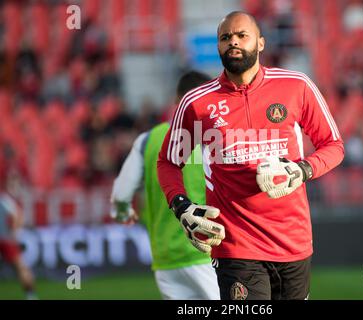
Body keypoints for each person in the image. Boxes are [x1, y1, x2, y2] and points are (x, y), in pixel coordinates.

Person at [157, 11, 344, 300]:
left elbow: (333, 145)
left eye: (242, 35)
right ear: (218, 47)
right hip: (234, 244)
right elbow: (169, 161)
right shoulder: (196, 103)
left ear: (260, 43)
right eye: (225, 37)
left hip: (293, 241)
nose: (233, 41)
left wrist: (303, 170)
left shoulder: (297, 85)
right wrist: (182, 207)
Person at [110, 71, 220, 300]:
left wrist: (124, 213)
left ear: (176, 102)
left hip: (166, 262)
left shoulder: (147, 140)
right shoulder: (217, 138)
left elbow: (120, 195)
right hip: (210, 253)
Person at [0, 191, 37, 300]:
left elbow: (16, 216)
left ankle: (31, 295)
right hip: (7, 238)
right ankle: (31, 295)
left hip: (6, 238)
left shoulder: (3, 199)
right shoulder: (4, 199)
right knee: (21, 267)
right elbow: (17, 214)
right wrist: (15, 231)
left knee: (20, 267)